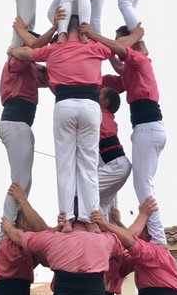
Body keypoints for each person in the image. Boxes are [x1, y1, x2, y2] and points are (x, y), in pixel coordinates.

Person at [9, 15, 122, 224]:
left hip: (65, 105)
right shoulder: (94, 48)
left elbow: (27, 52)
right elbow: (116, 47)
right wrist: (94, 34)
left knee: (65, 164)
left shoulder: (53, 50)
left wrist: (12, 50)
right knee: (88, 164)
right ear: (81, 32)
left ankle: (67, 219)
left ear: (63, 30)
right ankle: (91, 221)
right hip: (89, 106)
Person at [102, 28, 167, 243]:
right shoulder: (133, 70)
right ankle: (153, 233)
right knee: (144, 183)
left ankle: (158, 238)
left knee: (143, 185)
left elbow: (120, 52)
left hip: (147, 128)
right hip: (148, 128)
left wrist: (96, 38)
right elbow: (119, 72)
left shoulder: (141, 61)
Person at [0, 35, 49, 222]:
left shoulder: (32, 67)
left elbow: (48, 77)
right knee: (20, 182)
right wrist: (15, 49)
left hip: (21, 124)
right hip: (15, 122)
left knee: (24, 181)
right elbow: (29, 57)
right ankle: (8, 226)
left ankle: (16, 220)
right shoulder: (16, 60)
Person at [96, 86, 131, 220]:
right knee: (103, 201)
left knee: (85, 187)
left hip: (116, 165)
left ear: (105, 102)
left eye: (100, 94)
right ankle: (107, 227)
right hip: (120, 164)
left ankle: (99, 225)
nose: (97, 93)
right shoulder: (109, 117)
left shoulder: (98, 113)